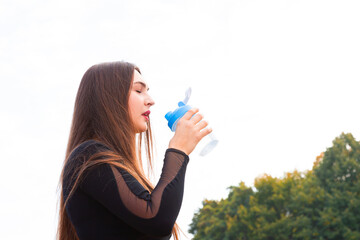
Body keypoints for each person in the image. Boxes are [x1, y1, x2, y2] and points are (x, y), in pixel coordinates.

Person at [57, 61, 212, 240]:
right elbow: (157, 219)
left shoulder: (111, 165)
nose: (151, 100)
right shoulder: (89, 156)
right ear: (109, 98)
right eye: (139, 90)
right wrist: (178, 150)